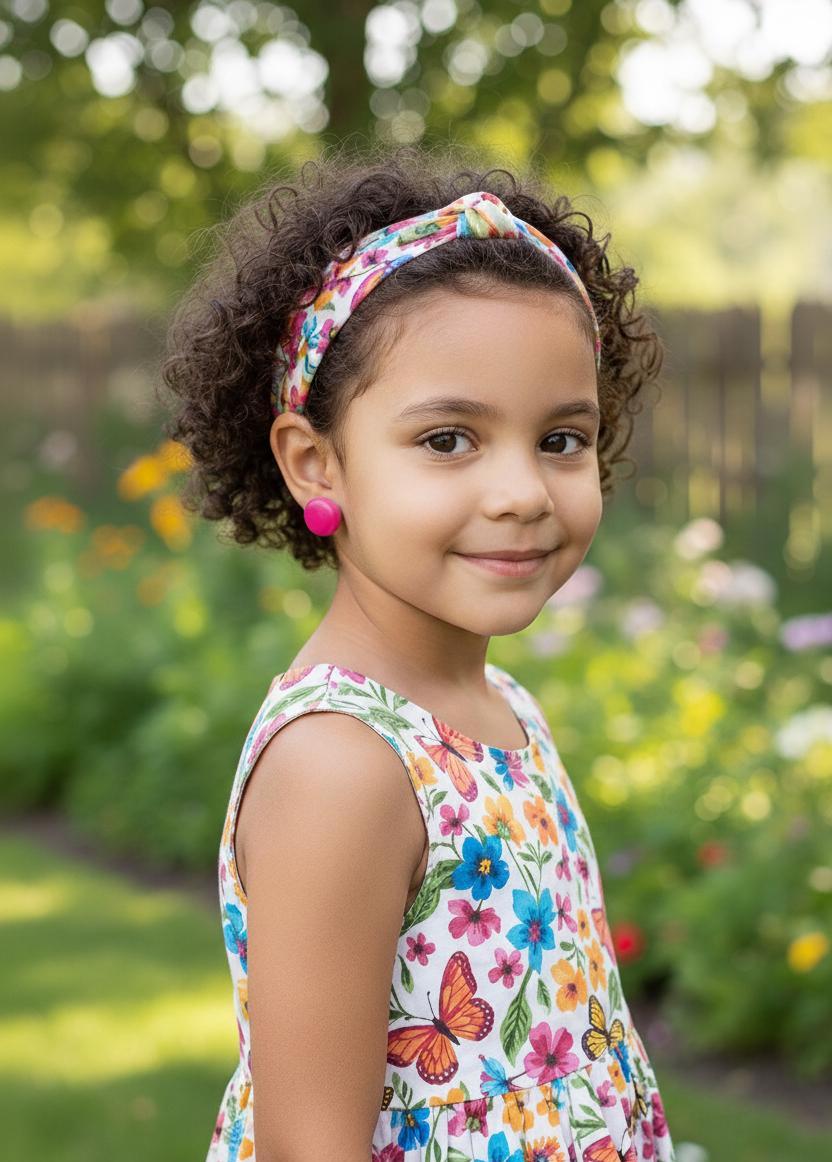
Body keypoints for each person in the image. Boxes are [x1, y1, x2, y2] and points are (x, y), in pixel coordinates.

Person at [160, 143, 674, 1162]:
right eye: (449, 439)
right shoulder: (342, 766)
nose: (523, 490)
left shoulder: (502, 710)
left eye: (561, 438)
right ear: (316, 460)